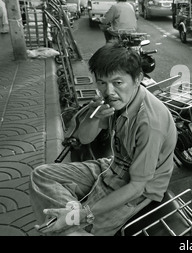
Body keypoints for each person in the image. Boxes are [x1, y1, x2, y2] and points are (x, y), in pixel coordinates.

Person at [29, 43, 177, 236]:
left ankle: (71, 222)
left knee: (68, 229)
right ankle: (69, 219)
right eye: (101, 83)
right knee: (41, 175)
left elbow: (137, 187)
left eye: (118, 83)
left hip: (138, 189)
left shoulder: (149, 123)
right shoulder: (115, 102)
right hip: (113, 165)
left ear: (137, 79)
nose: (109, 92)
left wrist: (84, 213)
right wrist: (96, 117)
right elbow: (83, 138)